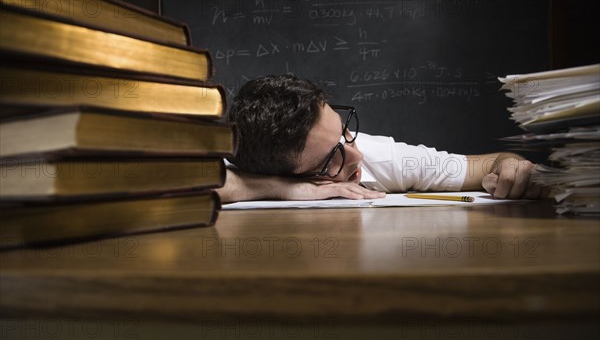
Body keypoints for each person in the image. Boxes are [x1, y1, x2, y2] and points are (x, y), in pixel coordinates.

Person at [217, 75, 545, 203]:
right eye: (330, 160)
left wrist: (510, 166)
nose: (356, 156)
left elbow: (488, 164)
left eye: (345, 129)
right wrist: (280, 188)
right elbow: (169, 187)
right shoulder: (234, 161)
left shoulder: (375, 155)